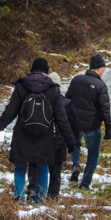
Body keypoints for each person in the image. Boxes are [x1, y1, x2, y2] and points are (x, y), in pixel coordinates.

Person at [0, 58, 76, 204]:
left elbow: (11, 109)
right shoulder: (53, 89)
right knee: (43, 168)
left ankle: (19, 196)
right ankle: (39, 201)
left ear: (32, 69)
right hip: (44, 135)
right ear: (46, 71)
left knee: (20, 165)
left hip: (22, 132)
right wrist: (70, 140)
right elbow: (61, 118)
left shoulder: (22, 85)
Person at [27, 72, 80, 201]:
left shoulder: (36, 100)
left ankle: (33, 191)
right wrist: (72, 142)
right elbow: (75, 126)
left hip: (39, 141)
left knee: (35, 167)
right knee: (55, 174)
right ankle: (53, 198)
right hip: (58, 143)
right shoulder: (66, 104)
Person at [66, 55, 111, 190]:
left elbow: (67, 98)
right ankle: (85, 183)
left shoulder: (76, 80)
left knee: (75, 144)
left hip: (75, 123)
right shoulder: (101, 85)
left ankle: (75, 164)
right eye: (103, 67)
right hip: (91, 126)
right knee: (93, 155)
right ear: (99, 68)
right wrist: (109, 126)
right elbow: (105, 109)